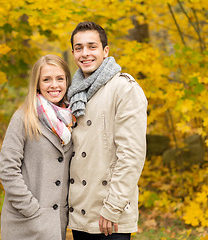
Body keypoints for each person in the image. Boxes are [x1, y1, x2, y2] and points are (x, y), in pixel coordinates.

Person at [67, 21, 148, 240]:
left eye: (92, 47)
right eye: (79, 48)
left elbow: (131, 155)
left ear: (105, 51)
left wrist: (112, 207)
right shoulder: (73, 93)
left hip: (110, 214)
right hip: (80, 212)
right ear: (73, 52)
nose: (85, 53)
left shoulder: (124, 88)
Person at [0, 54, 75, 240]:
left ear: (67, 81)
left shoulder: (72, 119)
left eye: (60, 79)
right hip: (26, 223)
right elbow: (8, 170)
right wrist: (31, 209)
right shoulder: (23, 117)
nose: (54, 85)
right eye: (46, 79)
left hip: (56, 223)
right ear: (37, 84)